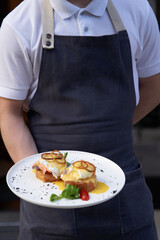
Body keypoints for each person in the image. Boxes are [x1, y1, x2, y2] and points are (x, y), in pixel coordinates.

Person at [0, 0, 160, 239]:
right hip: (49, 208)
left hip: (126, 202)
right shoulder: (20, 23)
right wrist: (43, 176)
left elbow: (153, 89)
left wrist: (111, 131)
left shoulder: (137, 9)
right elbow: (9, 113)